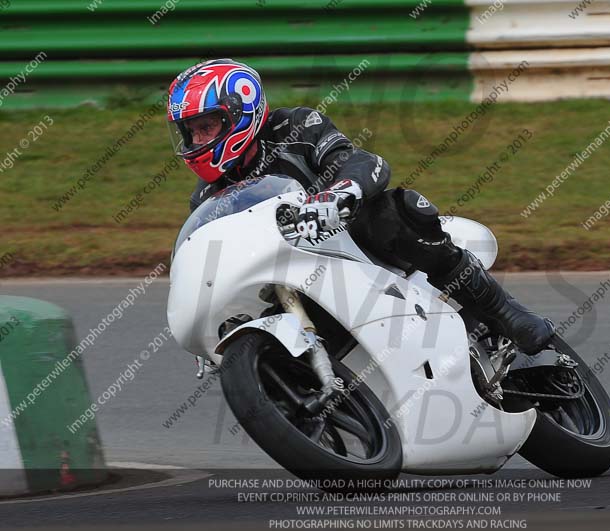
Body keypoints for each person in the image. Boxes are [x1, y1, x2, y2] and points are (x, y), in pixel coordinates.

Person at [166, 58, 554, 355]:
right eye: (192, 130)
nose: (198, 138)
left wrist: (337, 197)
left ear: (239, 111)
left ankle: (503, 311)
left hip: (356, 243)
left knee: (393, 211)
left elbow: (361, 161)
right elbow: (213, 264)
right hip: (298, 277)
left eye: (207, 126)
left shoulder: (295, 128)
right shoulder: (206, 198)